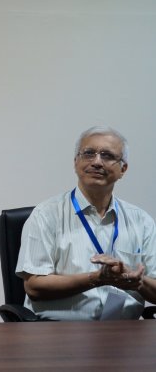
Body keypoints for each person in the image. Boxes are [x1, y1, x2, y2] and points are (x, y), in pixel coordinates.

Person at [16, 126, 156, 320]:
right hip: (58, 331)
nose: (97, 162)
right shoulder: (46, 215)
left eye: (107, 156)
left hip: (124, 330)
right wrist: (96, 279)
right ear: (76, 162)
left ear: (123, 169)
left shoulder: (142, 221)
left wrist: (138, 282)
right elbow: (34, 287)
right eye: (89, 153)